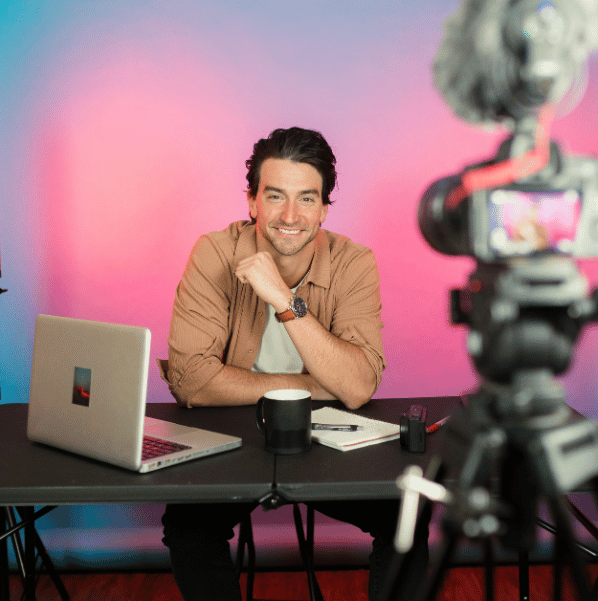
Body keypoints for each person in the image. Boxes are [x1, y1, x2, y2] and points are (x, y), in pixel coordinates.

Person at [159, 127, 427, 600]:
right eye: (275, 195)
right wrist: (315, 384)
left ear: (324, 207)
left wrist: (283, 300)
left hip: (327, 439)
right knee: (188, 526)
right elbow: (192, 382)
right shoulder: (214, 253)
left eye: (307, 199)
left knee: (408, 513)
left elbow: (359, 387)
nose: (289, 216)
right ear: (252, 201)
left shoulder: (354, 263)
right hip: (230, 437)